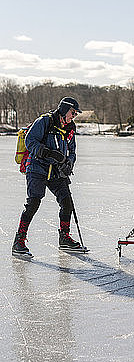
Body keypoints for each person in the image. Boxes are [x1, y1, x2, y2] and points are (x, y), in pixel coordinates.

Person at [12, 97, 83, 258]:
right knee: (33, 203)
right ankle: (19, 241)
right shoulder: (45, 121)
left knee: (67, 202)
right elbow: (30, 141)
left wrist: (68, 164)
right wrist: (48, 152)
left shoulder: (70, 128)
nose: (74, 116)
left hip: (57, 171)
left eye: (75, 114)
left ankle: (64, 238)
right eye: (73, 112)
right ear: (65, 109)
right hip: (37, 168)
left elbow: (72, 151)